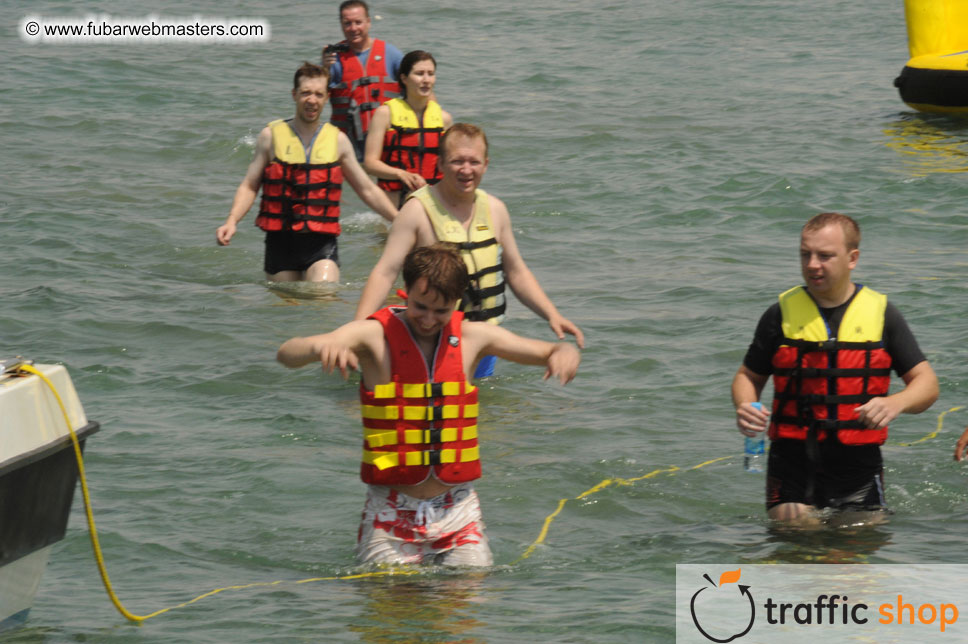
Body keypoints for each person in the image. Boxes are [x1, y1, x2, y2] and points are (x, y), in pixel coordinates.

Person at [277, 244, 580, 566]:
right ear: (406, 291)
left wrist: (565, 353)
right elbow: (286, 354)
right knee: (389, 596)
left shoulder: (474, 338)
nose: (429, 319)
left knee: (471, 589)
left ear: (457, 301)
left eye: (441, 311)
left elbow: (552, 350)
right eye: (420, 307)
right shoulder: (373, 336)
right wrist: (320, 347)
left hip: (458, 510)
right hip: (390, 510)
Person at [731, 212, 938, 525]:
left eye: (824, 256)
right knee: (796, 531)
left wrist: (896, 403)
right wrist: (746, 405)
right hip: (791, 461)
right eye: (805, 254)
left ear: (852, 258)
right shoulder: (779, 315)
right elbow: (748, 376)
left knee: (855, 545)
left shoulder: (882, 315)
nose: (812, 264)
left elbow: (927, 384)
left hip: (857, 466)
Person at [355, 123, 585, 377]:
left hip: (484, 341)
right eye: (457, 161)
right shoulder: (417, 211)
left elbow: (516, 272)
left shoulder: (495, 210)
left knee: (476, 399)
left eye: (474, 162)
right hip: (433, 337)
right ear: (440, 164)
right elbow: (385, 272)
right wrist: (356, 332)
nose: (466, 170)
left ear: (485, 164)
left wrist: (552, 315)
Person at [215, 62, 397, 283]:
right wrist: (232, 221)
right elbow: (250, 185)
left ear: (327, 97)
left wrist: (398, 219)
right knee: (288, 300)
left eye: (319, 94)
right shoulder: (270, 137)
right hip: (280, 243)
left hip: (321, 243)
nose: (312, 100)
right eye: (306, 93)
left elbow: (367, 189)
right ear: (294, 95)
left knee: (322, 292)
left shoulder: (338, 140)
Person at [363, 50, 453, 208]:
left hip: (434, 204)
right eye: (419, 73)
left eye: (430, 74)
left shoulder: (444, 119)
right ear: (404, 78)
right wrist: (400, 174)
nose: (426, 80)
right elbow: (370, 164)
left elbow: (450, 165)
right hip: (394, 207)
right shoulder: (384, 114)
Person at [322, 0, 403, 161]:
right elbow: (315, 98)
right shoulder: (333, 59)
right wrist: (324, 70)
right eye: (347, 23)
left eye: (358, 22)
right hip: (348, 145)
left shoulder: (391, 54)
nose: (353, 28)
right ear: (341, 25)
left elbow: (418, 88)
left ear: (368, 22)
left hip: (387, 142)